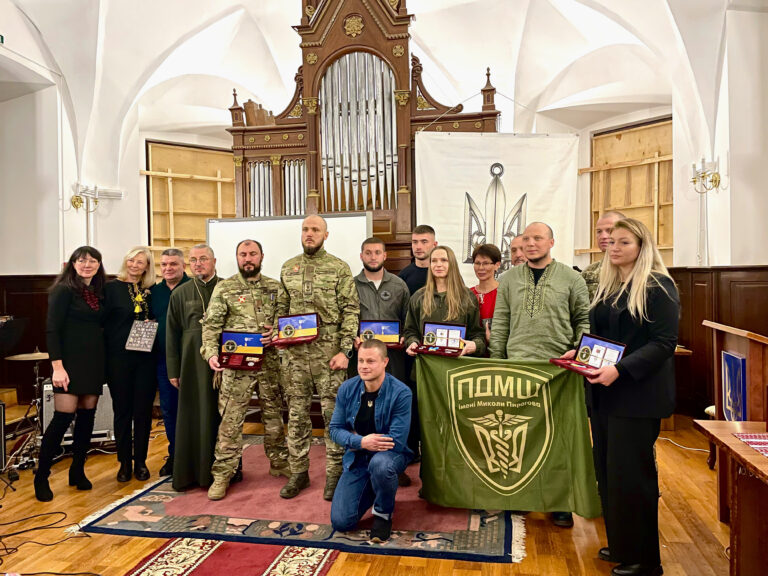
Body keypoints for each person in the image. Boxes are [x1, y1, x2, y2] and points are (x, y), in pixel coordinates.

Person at [563, 218, 678, 576]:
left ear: (642, 246)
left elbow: (664, 343)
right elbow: (604, 338)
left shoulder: (658, 285)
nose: (613, 247)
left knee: (633, 478)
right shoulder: (610, 285)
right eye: (611, 241)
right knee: (609, 474)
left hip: (637, 395)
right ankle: (622, 545)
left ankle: (645, 560)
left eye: (623, 242)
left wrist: (621, 370)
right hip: (604, 393)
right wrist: (580, 353)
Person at [488, 222, 590, 528]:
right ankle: (519, 495)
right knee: (519, 435)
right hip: (517, 367)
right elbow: (501, 321)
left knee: (559, 439)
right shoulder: (508, 279)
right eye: (527, 239)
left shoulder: (572, 278)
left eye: (538, 238)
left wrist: (579, 354)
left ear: (551, 242)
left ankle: (559, 502)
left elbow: (583, 319)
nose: (531, 243)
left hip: (558, 370)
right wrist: (497, 361)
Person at [276, 215, 360, 500]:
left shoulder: (339, 267)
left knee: (333, 416)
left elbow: (351, 311)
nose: (309, 234)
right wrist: (279, 340)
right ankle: (298, 472)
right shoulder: (288, 267)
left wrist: (345, 351)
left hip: (329, 355)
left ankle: (335, 474)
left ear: (326, 234)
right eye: (305, 229)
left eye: (315, 230)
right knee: (297, 415)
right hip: (296, 357)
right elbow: (281, 310)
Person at [202, 239, 290, 500]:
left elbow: (286, 321)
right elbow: (211, 326)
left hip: (269, 364)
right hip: (235, 367)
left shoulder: (276, 287)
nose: (248, 258)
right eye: (243, 254)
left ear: (261, 256)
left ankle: (279, 462)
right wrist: (211, 354)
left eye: (253, 254)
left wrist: (277, 332)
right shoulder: (225, 288)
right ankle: (223, 474)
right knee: (230, 421)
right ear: (237, 257)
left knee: (274, 417)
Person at [35, 247, 107, 502]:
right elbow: (52, 330)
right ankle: (41, 476)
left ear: (99, 264)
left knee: (87, 417)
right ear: (73, 264)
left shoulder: (98, 291)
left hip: (93, 361)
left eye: (92, 261)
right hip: (69, 363)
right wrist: (57, 367)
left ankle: (77, 470)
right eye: (82, 260)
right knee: (62, 418)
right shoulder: (63, 290)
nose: (87, 264)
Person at [329, 339, 413, 543]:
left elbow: (396, 440)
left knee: (381, 465)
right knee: (341, 522)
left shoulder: (401, 393)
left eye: (371, 361)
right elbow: (334, 429)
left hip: (391, 456)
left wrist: (354, 439)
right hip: (357, 457)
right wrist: (360, 442)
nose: (364, 366)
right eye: (361, 361)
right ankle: (376, 488)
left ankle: (383, 514)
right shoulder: (347, 389)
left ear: (385, 362)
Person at [351, 236, 411, 484]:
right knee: (365, 411)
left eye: (377, 252)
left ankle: (394, 461)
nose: (373, 257)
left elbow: (408, 321)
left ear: (385, 256)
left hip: (392, 359)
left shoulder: (399, 285)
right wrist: (352, 336)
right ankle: (362, 462)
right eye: (368, 252)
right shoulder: (350, 285)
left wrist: (404, 336)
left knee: (392, 408)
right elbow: (346, 318)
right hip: (363, 360)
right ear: (361, 256)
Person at [166, 244, 221, 491]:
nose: (198, 264)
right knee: (193, 416)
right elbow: (171, 334)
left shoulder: (227, 288)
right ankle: (191, 474)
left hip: (223, 361)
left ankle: (223, 471)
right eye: (194, 260)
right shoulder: (180, 293)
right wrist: (173, 370)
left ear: (214, 261)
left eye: (203, 259)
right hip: (191, 364)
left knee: (222, 416)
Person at [104, 246, 157, 482]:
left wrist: (151, 321)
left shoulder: (152, 291)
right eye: (132, 260)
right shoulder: (110, 289)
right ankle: (124, 463)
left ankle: (141, 462)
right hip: (118, 359)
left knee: (143, 412)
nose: (135, 265)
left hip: (145, 359)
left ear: (147, 267)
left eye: (140, 262)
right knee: (122, 411)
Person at [404, 245, 487, 359]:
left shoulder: (467, 297)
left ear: (452, 264)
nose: (438, 264)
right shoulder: (418, 297)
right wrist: (412, 342)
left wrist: (475, 345)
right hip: (427, 363)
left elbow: (478, 334)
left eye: (444, 260)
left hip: (457, 364)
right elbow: (410, 331)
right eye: (434, 261)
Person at [150, 248, 189, 477]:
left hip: (192, 361)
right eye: (164, 264)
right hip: (163, 361)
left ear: (183, 265)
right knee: (169, 410)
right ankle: (175, 456)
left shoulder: (194, 288)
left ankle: (196, 456)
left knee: (193, 409)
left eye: (173, 264)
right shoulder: (154, 293)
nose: (168, 268)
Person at [582, 211, 625, 301]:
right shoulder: (589, 272)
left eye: (609, 230)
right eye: (599, 231)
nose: (603, 236)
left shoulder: (643, 271)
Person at [470, 243, 502, 342]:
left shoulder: (504, 293)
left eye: (486, 263)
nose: (481, 268)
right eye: (477, 263)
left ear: (497, 265)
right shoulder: (467, 294)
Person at [399, 225, 437, 295]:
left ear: (434, 245)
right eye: (415, 242)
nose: (418, 247)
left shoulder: (443, 273)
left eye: (424, 242)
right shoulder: (403, 276)